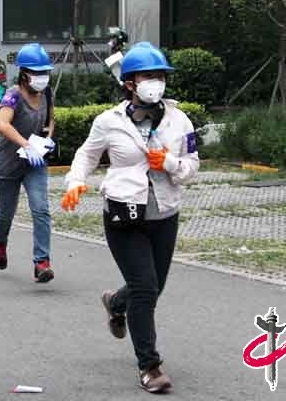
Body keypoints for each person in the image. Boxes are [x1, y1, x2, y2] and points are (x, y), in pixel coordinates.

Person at [61, 42, 200, 394]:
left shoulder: (179, 119)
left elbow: (192, 168)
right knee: (145, 288)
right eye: (147, 76)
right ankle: (149, 367)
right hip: (123, 215)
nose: (155, 82)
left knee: (153, 289)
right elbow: (86, 155)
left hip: (164, 214)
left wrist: (169, 163)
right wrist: (76, 181)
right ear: (129, 83)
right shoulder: (109, 121)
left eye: (160, 76)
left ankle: (115, 302)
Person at [0, 43, 56, 283]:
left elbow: (50, 119)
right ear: (24, 73)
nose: (42, 78)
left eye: (45, 73)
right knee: (7, 211)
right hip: (7, 163)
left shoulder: (47, 93)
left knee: (41, 209)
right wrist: (25, 144)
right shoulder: (13, 94)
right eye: (37, 73)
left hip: (34, 163)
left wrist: (47, 140)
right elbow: (2, 124)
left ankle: (42, 262)